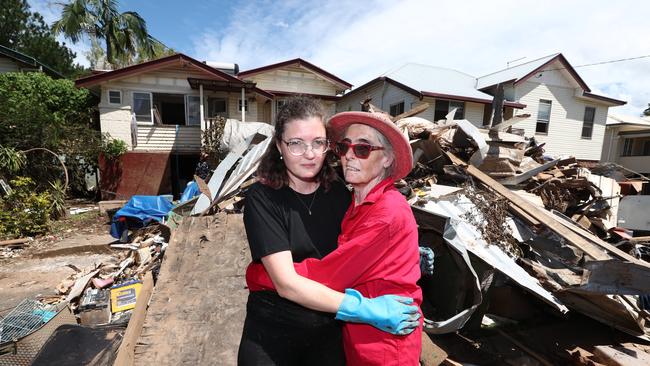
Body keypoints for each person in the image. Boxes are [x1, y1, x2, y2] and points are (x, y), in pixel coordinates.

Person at [238, 98, 420, 366]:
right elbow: (292, 283)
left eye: (318, 143)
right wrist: (278, 278)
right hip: (273, 331)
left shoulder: (338, 194)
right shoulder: (263, 198)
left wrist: (262, 274)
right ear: (279, 146)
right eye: (296, 143)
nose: (309, 153)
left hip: (327, 332)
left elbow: (344, 263)